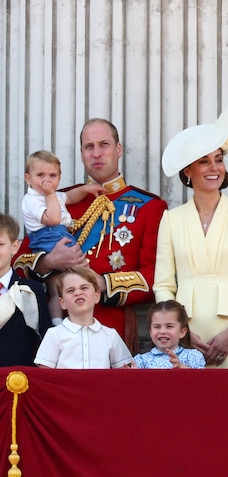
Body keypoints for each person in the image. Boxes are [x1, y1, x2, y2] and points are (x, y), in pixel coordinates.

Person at [14, 119, 169, 353]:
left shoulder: (149, 207)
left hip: (112, 328)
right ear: (81, 153)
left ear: (118, 149)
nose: (96, 153)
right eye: (89, 146)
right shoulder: (55, 200)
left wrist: (102, 283)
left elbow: (155, 278)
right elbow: (17, 262)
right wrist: (48, 262)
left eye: (104, 144)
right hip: (57, 329)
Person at [156, 108, 228, 369]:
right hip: (184, 333)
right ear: (188, 171)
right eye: (204, 161)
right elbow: (162, 284)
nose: (214, 167)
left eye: (219, 159)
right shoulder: (171, 219)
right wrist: (180, 332)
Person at [21, 150, 104, 323]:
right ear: (28, 179)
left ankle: (58, 321)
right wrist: (51, 194)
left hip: (57, 235)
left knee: (56, 285)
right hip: (47, 238)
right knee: (79, 270)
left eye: (52, 175)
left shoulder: (54, 195)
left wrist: (85, 189)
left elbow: (70, 197)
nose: (47, 180)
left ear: (59, 178)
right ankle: (58, 321)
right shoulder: (32, 199)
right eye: (40, 175)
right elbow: (52, 219)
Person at [34, 266, 132, 368]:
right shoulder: (54, 335)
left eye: (84, 288)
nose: (78, 293)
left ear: (97, 296)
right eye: (71, 290)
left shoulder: (110, 335)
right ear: (62, 303)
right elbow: (45, 373)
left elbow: (123, 372)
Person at [0, 214, 51, 367]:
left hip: (20, 383)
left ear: (14, 247)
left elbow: (45, 342)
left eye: (0, 244)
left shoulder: (31, 291)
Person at [132, 300, 205, 369]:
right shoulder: (141, 361)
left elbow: (203, 380)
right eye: (157, 327)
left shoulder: (193, 356)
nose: (162, 331)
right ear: (150, 332)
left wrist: (182, 368)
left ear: (182, 332)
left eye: (169, 326)